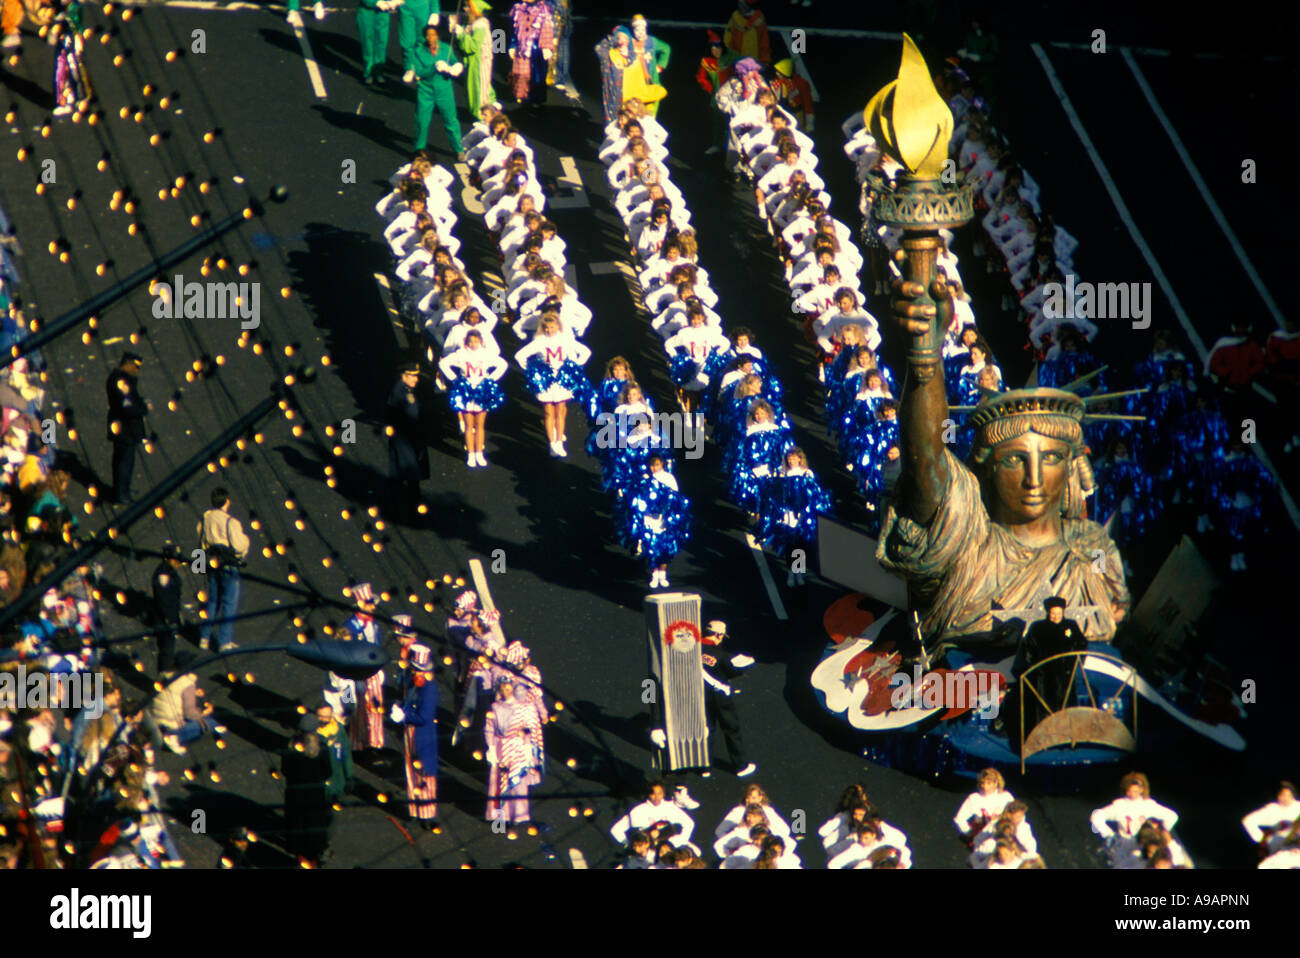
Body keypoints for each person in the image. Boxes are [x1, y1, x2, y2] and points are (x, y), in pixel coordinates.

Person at [880, 273, 1131, 647]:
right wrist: (925, 357)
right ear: (989, 469)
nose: (1034, 478)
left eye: (1049, 458)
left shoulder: (1090, 546)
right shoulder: (969, 540)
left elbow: (1112, 614)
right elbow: (926, 461)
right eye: (1014, 460)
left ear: (1069, 469)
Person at [1008, 596, 1087, 743]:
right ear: (1048, 612)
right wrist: (1033, 665)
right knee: (1042, 704)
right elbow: (1027, 647)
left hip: (1064, 673)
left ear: (1063, 612)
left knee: (1065, 704)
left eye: (1059, 613)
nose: (1056, 616)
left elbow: (1082, 643)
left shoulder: (1071, 625)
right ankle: (1043, 737)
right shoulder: (1038, 627)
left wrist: (1075, 662)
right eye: (1053, 613)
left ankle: (1066, 736)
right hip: (1044, 674)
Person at [514, 312, 593, 457]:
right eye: (547, 327)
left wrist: (573, 367)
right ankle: (552, 444)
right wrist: (532, 370)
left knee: (560, 411)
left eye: (552, 327)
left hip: (561, 379)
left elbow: (585, 352)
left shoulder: (565, 340)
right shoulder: (539, 341)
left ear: (558, 326)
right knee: (548, 412)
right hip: (546, 381)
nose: (549, 330)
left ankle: (559, 441)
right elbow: (519, 356)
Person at [484, 674, 547, 825]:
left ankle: (520, 816)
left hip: (517, 748)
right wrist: (491, 748)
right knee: (499, 784)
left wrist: (525, 738)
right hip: (500, 748)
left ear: (512, 687)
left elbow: (531, 727)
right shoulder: (495, 707)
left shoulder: (524, 707)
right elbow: (489, 729)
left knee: (518, 782)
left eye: (508, 687)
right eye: (503, 688)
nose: (506, 690)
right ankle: (499, 821)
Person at [440, 330, 508, 468]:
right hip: (466, 392)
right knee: (469, 426)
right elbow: (443, 363)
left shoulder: (486, 354)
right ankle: (470, 454)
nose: (473, 344)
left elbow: (503, 364)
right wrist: (455, 379)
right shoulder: (461, 355)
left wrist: (491, 379)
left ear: (480, 342)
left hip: (482, 391)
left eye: (476, 341)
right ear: (466, 342)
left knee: (480, 425)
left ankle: (479, 453)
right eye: (470, 341)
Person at [390, 644, 440, 827]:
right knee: (410, 770)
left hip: (422, 734)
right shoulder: (412, 681)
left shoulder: (429, 689)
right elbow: (405, 697)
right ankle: (415, 809)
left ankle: (427, 814)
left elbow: (425, 717)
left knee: (424, 773)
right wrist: (399, 706)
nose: (414, 672)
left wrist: (405, 715)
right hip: (409, 730)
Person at [701, 620, 756, 777]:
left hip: (702, 695)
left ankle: (705, 766)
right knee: (731, 730)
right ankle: (740, 765)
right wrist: (744, 668)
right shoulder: (721, 655)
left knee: (707, 730)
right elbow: (731, 672)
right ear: (718, 635)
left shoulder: (695, 648)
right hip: (720, 696)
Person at [1090, 772, 1179, 867]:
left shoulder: (1148, 805)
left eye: (1135, 791)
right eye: (1130, 791)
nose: (1132, 794)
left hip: (1141, 845)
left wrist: (1161, 833)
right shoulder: (1119, 806)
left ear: (1142, 790)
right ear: (1126, 790)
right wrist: (1109, 834)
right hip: (1123, 844)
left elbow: (1172, 816)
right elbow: (1096, 816)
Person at [198, 487, 249, 653]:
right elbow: (239, 546)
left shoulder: (206, 518)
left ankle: (204, 638)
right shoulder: (231, 522)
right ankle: (224, 642)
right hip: (229, 565)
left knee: (212, 601)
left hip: (212, 562)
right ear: (227, 501)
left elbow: (201, 535)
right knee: (229, 603)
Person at [343, 583, 387, 756]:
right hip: (357, 673)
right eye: (369, 603)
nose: (373, 606)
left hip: (373, 672)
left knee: (375, 707)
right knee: (356, 709)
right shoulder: (350, 627)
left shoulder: (373, 624)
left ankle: (375, 743)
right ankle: (356, 744)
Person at [387, 359, 431, 521]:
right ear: (403, 376)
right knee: (410, 475)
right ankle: (412, 512)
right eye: (412, 376)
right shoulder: (399, 392)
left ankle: (398, 508)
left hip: (407, 439)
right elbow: (409, 417)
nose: (416, 379)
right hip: (404, 440)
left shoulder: (405, 390)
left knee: (401, 476)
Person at [282, 732, 333, 867]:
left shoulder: (292, 748)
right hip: (315, 795)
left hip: (295, 794)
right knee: (314, 825)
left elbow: (285, 770)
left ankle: (299, 856)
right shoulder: (321, 750)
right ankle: (314, 858)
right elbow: (328, 772)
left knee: (297, 825)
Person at [413, 23, 464, 155]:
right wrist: (433, 68)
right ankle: (419, 148)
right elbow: (419, 72)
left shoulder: (446, 49)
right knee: (422, 121)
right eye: (428, 35)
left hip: (444, 89)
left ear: (438, 35)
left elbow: (454, 62)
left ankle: (458, 149)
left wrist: (455, 68)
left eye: (433, 34)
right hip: (425, 90)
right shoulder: (418, 52)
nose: (431, 37)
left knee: (451, 119)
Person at [106, 352, 149, 504]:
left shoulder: (120, 379)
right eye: (136, 366)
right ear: (127, 363)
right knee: (123, 462)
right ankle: (121, 493)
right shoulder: (119, 381)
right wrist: (143, 408)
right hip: (124, 430)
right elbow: (127, 406)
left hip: (125, 429)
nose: (137, 369)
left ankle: (123, 490)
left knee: (125, 461)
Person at [609, 780, 697, 849]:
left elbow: (689, 823)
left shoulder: (670, 807)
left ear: (663, 793)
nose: (657, 797)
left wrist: (679, 841)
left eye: (660, 793)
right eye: (653, 793)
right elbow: (616, 830)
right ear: (648, 794)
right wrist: (631, 844)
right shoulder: (638, 810)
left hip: (670, 848)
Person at [508, 0, 555, 105]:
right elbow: (515, 30)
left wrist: (546, 47)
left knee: (537, 74)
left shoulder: (544, 10)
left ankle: (537, 97)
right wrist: (512, 45)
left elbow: (547, 28)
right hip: (522, 47)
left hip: (537, 48)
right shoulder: (518, 9)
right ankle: (521, 94)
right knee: (521, 72)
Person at [452, 0, 495, 114]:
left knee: (480, 91)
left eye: (467, 7)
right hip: (472, 63)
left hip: (480, 63)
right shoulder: (471, 25)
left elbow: (472, 46)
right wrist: (457, 31)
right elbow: (463, 46)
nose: (465, 9)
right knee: (472, 88)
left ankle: (484, 117)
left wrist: (461, 34)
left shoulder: (480, 26)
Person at [953, 767, 1015, 845]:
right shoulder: (974, 798)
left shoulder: (1006, 797)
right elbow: (959, 819)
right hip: (982, 840)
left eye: (988, 783)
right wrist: (969, 833)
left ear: (996, 783)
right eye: (983, 783)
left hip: (1004, 839)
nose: (985, 786)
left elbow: (1016, 815)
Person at [150, 543, 185, 674]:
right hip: (164, 618)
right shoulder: (163, 574)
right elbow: (163, 598)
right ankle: (165, 672)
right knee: (167, 646)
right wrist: (169, 618)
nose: (178, 562)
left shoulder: (168, 571)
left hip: (169, 614)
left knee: (169, 645)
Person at [1242, 782, 1300, 859]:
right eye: (1283, 795)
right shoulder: (1272, 809)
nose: (1286, 798)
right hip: (1279, 851)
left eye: (1289, 795)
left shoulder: (1298, 807)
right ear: (1278, 796)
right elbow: (1248, 821)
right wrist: (1263, 840)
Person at [629, 14, 670, 116]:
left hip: (651, 80)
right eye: (637, 29)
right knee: (636, 106)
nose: (640, 32)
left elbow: (666, 49)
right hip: (636, 81)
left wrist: (660, 66)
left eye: (642, 29)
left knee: (652, 106)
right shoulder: (630, 42)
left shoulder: (652, 41)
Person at [397, 0, 437, 84]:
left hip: (422, 6)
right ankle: (410, 68)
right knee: (407, 40)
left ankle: (421, 67)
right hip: (405, 7)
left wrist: (434, 10)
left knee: (423, 39)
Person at [357, 0, 395, 86]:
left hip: (382, 12)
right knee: (367, 42)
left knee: (382, 42)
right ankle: (368, 72)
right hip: (366, 11)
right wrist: (375, 2)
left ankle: (379, 71)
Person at [722, 0, 769, 66]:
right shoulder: (735, 17)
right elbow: (727, 37)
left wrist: (764, 60)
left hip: (753, 60)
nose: (740, 6)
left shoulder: (759, 20)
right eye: (739, 3)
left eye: (743, 3)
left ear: (748, 5)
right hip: (736, 57)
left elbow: (764, 41)